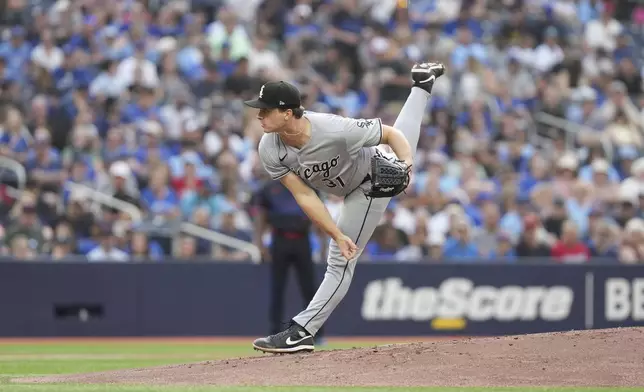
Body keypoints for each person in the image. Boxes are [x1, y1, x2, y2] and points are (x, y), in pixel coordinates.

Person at [244, 61, 445, 353]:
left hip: (371, 181)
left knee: (340, 261)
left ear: (288, 113)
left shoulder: (332, 128)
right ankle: (422, 85)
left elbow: (391, 135)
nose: (259, 114)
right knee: (340, 247)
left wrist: (407, 166)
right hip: (347, 188)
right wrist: (335, 232)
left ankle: (302, 331)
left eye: (266, 109)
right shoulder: (269, 147)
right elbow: (306, 196)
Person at [252, 179, 325, 340]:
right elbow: (261, 216)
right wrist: (259, 244)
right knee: (277, 289)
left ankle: (316, 332)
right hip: (279, 239)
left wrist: (323, 243)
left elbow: (319, 213)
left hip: (302, 239)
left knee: (310, 289)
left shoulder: (308, 184)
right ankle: (274, 331)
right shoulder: (269, 188)